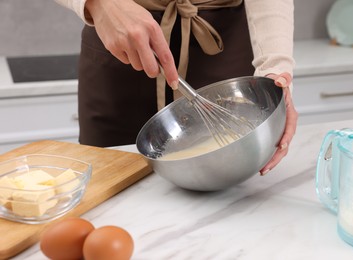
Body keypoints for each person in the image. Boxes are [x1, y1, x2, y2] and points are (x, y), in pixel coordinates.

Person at [54, 0, 298, 175]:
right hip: (121, 43)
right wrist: (99, 4)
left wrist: (275, 67)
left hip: (223, 46)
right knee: (107, 180)